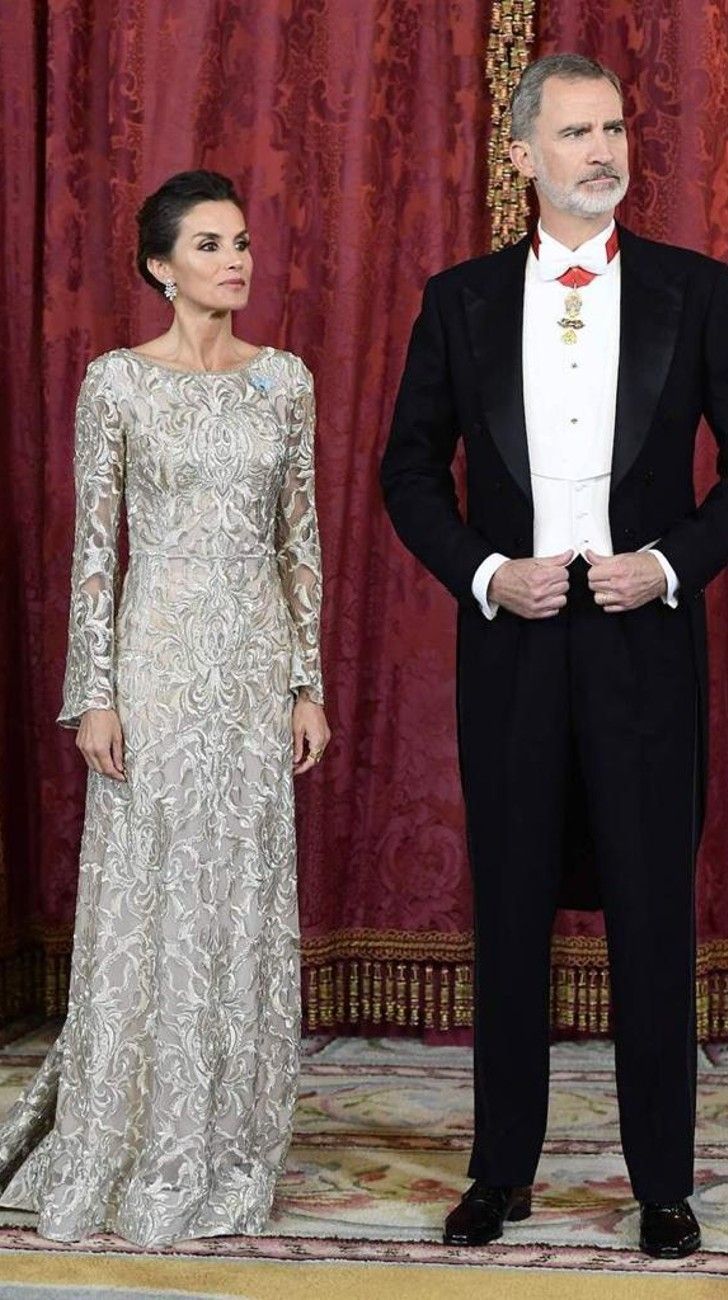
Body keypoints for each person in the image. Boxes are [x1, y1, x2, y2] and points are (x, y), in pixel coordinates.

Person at [381, 53, 728, 1259]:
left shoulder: (696, 290)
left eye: (613, 128)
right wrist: (485, 573)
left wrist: (668, 563)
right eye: (576, 132)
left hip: (645, 646)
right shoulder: (458, 299)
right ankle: (499, 1170)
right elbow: (407, 470)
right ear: (521, 155)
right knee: (512, 907)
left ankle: (662, 1184)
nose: (602, 151)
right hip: (513, 651)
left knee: (650, 913)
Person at [0, 169, 330, 1247]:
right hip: (154, 666)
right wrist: (91, 695)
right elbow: (95, 552)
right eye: (208, 245)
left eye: (241, 242)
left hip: (251, 668)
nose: (235, 261)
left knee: (240, 894)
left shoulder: (284, 382)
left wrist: (306, 682)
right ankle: (130, 1133)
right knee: (153, 893)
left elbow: (299, 542)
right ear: (159, 266)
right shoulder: (117, 385)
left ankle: (227, 1144)